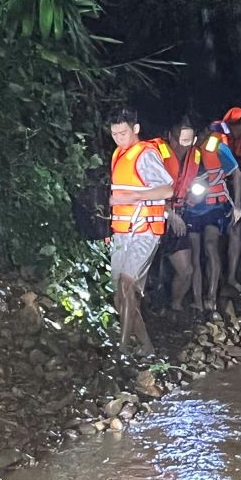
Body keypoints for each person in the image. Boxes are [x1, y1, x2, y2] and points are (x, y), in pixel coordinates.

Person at [107, 108, 174, 355]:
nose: (118, 138)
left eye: (122, 133)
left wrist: (135, 196)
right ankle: (147, 347)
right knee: (120, 296)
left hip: (145, 230)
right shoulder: (118, 154)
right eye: (114, 134)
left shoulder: (146, 154)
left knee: (127, 286)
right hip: (122, 232)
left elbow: (167, 190)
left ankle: (122, 348)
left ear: (135, 129)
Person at [182, 125, 241, 312]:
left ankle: (211, 297)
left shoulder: (217, 147)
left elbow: (236, 173)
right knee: (194, 253)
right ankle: (198, 301)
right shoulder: (183, 149)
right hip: (192, 207)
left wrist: (237, 206)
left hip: (215, 205)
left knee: (210, 246)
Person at [210, 106, 241, 292]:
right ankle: (213, 283)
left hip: (230, 188)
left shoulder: (238, 138)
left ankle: (231, 276)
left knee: (235, 231)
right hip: (213, 190)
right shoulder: (217, 135)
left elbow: (236, 163)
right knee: (212, 237)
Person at [159, 119, 197, 312]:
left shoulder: (194, 156)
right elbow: (149, 191)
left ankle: (176, 307)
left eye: (187, 142)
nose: (183, 146)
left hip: (179, 218)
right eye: (180, 141)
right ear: (170, 138)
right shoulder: (156, 156)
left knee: (187, 271)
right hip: (155, 220)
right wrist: (170, 214)